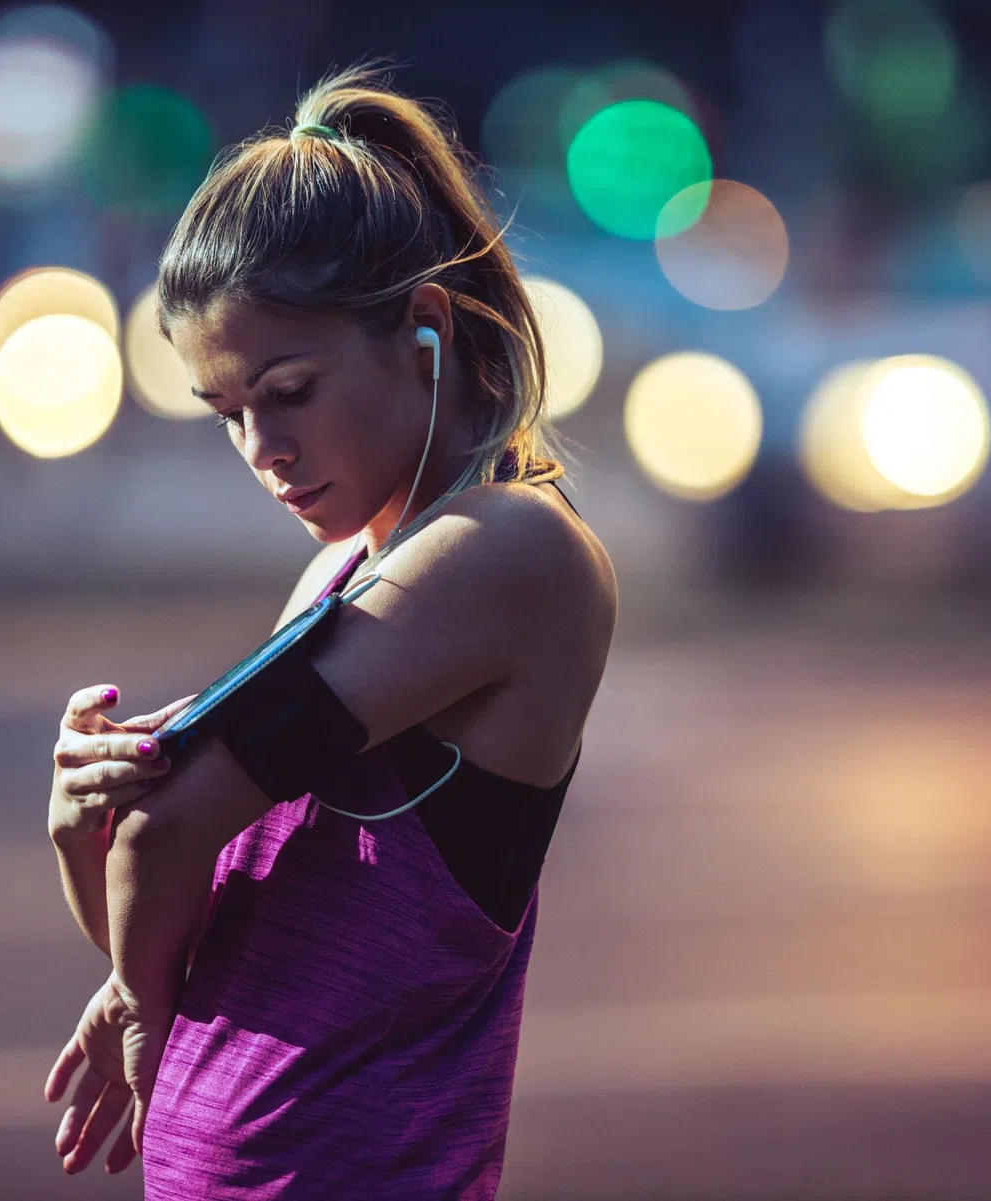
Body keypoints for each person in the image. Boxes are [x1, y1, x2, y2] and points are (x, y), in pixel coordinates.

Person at [42, 65, 615, 1198]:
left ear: (425, 330)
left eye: (290, 390)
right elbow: (186, 917)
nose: (263, 450)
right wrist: (78, 827)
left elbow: (164, 836)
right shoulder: (341, 573)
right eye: (228, 414)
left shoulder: (507, 547)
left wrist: (134, 972)